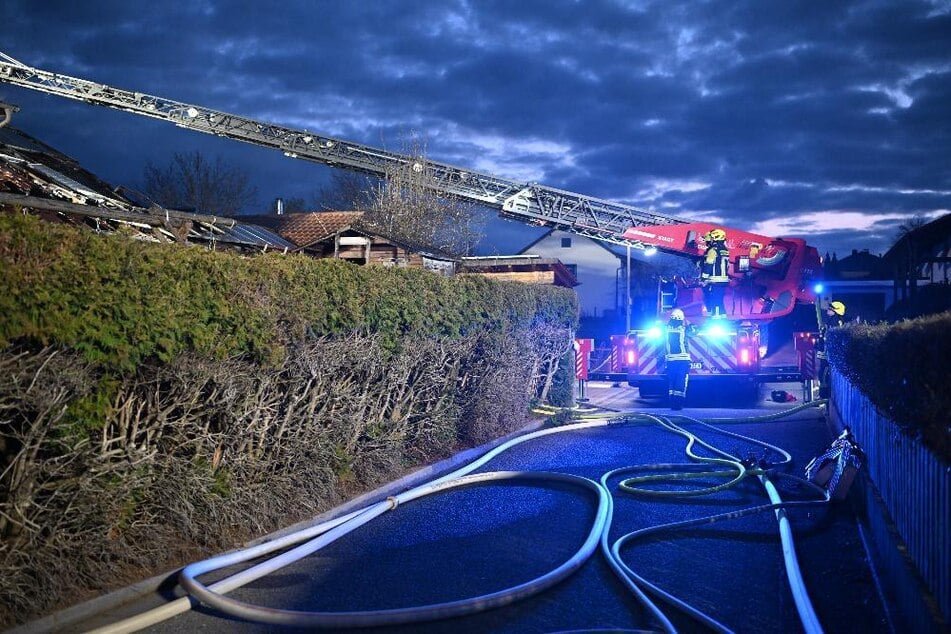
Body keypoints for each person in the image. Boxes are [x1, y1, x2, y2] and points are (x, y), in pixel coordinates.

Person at [816, 300, 846, 398]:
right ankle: (823, 395)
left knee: (824, 374)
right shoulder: (832, 321)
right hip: (825, 352)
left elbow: (831, 338)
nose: (828, 310)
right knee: (822, 373)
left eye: (830, 309)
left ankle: (824, 396)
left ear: (836, 311)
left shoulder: (835, 322)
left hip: (828, 353)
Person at [699, 229, 730, 317]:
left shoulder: (712, 250)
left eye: (711, 238)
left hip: (714, 281)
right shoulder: (725, 250)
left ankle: (715, 321)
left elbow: (709, 265)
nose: (710, 240)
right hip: (723, 281)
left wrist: (703, 278)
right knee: (719, 301)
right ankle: (723, 319)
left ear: (715, 238)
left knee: (714, 301)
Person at [665, 308, 691, 410]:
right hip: (683, 359)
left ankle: (672, 402)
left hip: (670, 359)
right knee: (681, 381)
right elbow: (694, 331)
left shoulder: (666, 329)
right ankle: (678, 404)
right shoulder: (684, 329)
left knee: (672, 381)